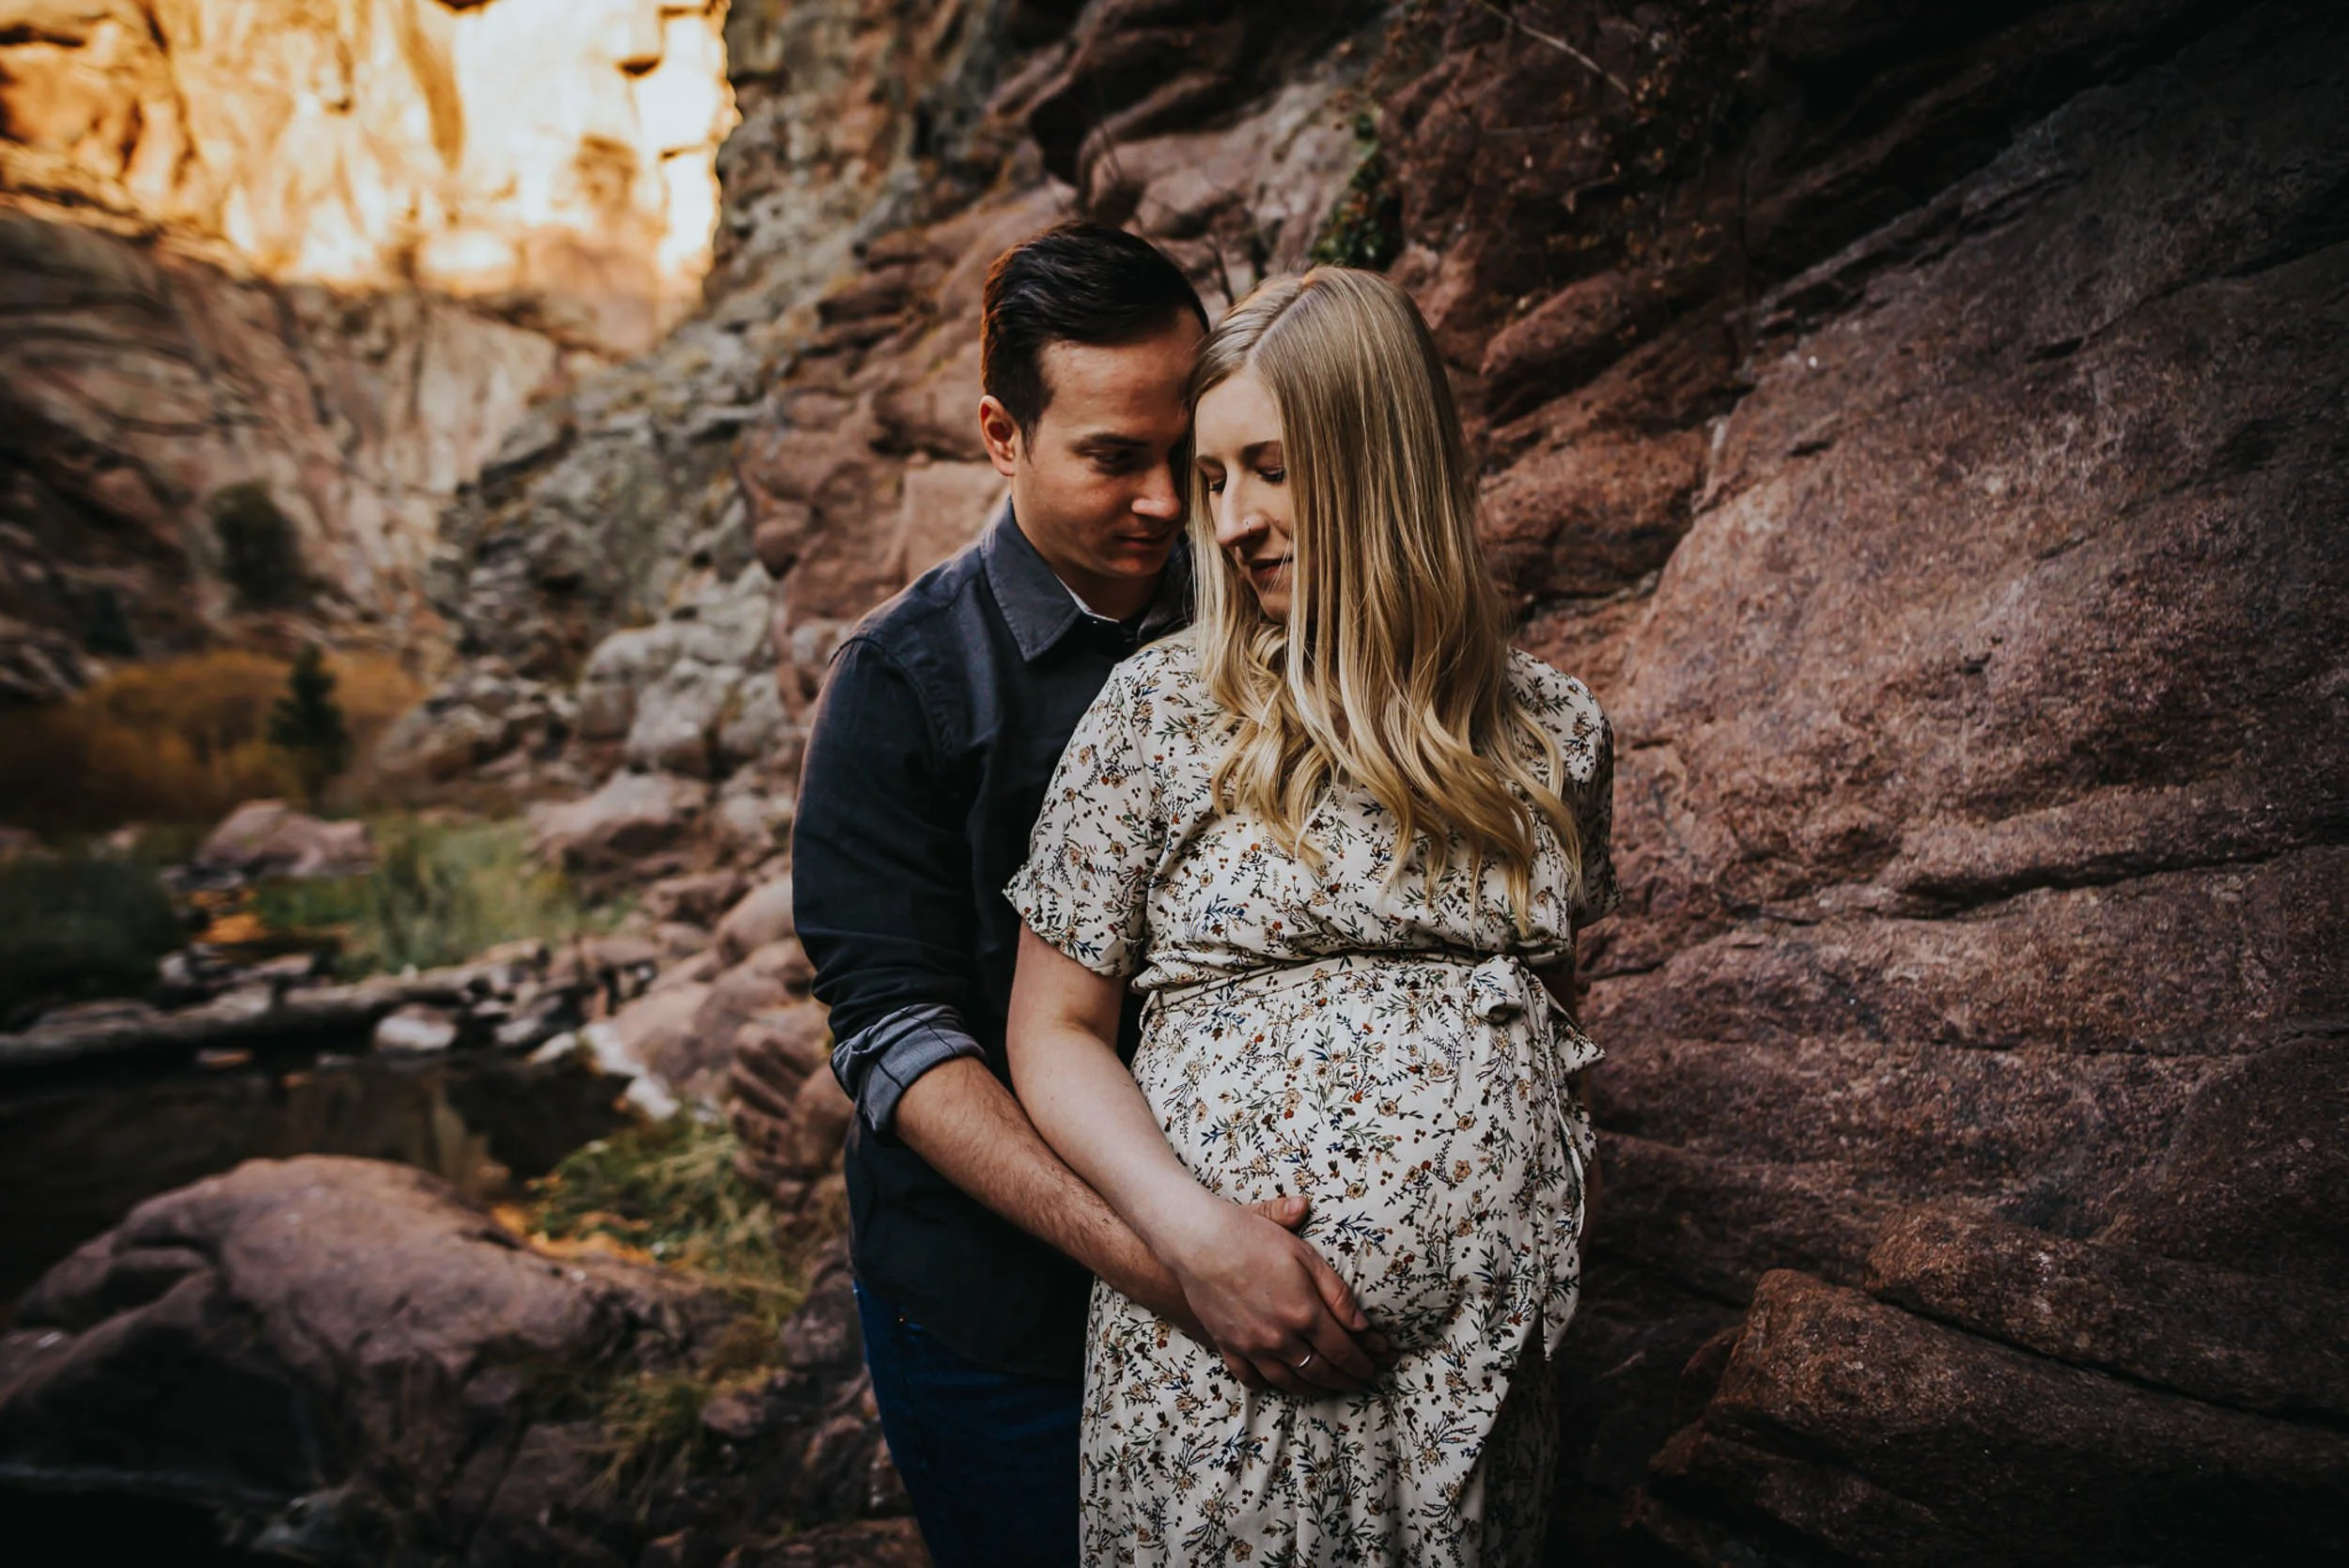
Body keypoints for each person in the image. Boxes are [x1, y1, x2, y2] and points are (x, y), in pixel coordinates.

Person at [789, 224, 1386, 1568]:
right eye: (1114, 458)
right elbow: (894, 1037)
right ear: (1003, 435)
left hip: (1283, 1281)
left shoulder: (1263, 598)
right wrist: (1178, 1263)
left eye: (1190, 452)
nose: (1174, 505)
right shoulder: (898, 687)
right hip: (1002, 1329)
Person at [1003, 266, 1619, 1566]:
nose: (1228, 520)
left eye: (1269, 470)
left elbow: (1542, 1021)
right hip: (1219, 1374)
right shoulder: (1160, 714)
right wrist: (1194, 1239)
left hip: (1479, 1392)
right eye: (1215, 480)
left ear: (1378, 459)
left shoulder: (1557, 732)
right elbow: (1051, 1032)